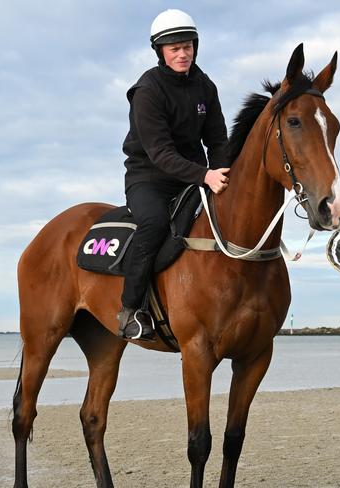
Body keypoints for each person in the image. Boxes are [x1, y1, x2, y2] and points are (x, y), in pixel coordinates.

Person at [118, 9, 230, 341]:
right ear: (160, 51)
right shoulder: (147, 91)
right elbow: (160, 153)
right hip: (148, 177)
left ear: (195, 46)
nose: (182, 54)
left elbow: (217, 140)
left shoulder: (205, 85)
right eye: (173, 48)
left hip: (195, 177)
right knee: (153, 223)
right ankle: (130, 310)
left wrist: (224, 174)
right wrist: (205, 176)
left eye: (187, 47)